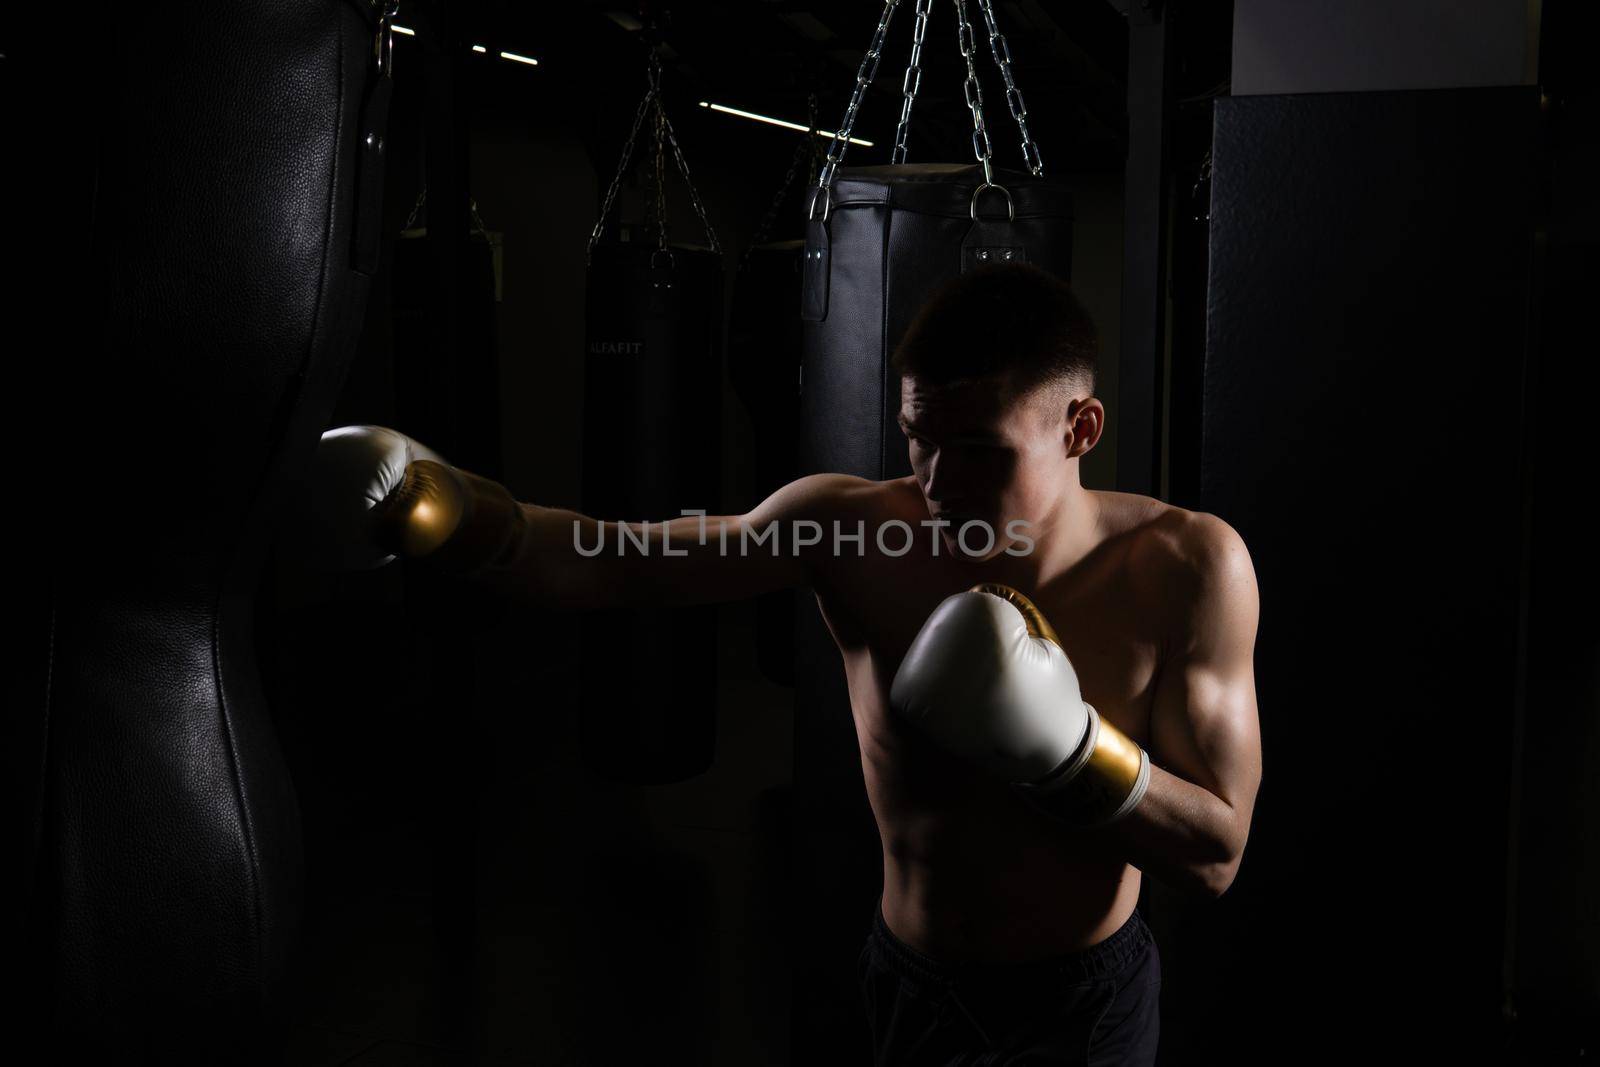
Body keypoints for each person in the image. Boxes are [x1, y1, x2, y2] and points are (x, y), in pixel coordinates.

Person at [295, 263, 1262, 1064]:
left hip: (1082, 1006)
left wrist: (1074, 750)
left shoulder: (1185, 566)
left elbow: (1217, 855)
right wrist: (445, 510)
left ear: (1079, 428)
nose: (936, 481)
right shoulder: (850, 528)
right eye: (918, 437)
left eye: (977, 449)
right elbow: (619, 562)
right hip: (909, 983)